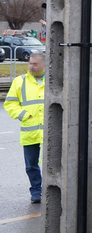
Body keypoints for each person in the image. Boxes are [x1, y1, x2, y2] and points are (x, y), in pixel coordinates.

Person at [4, 51, 45, 203]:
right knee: (31, 165)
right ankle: (36, 191)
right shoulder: (20, 81)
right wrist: (23, 115)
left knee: (53, 164)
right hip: (30, 131)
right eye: (30, 64)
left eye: (35, 64)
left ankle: (51, 190)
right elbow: (10, 103)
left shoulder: (54, 80)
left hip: (50, 131)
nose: (31, 67)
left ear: (44, 65)